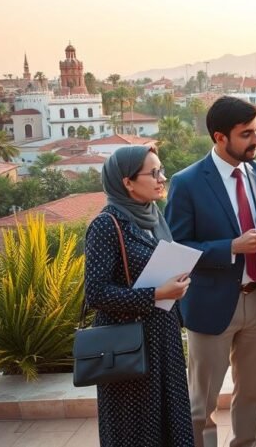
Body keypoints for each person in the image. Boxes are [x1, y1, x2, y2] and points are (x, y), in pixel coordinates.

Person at [165, 96, 256, 447]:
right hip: (211, 305)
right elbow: (178, 249)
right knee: (200, 404)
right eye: (247, 133)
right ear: (220, 137)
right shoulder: (186, 183)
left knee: (252, 396)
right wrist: (231, 247)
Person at [84, 145, 194, 446]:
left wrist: (179, 282)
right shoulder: (106, 225)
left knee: (171, 424)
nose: (162, 178)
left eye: (162, 171)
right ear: (127, 182)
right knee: (136, 431)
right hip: (128, 345)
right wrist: (156, 293)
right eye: (154, 172)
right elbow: (95, 293)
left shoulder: (153, 218)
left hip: (164, 339)